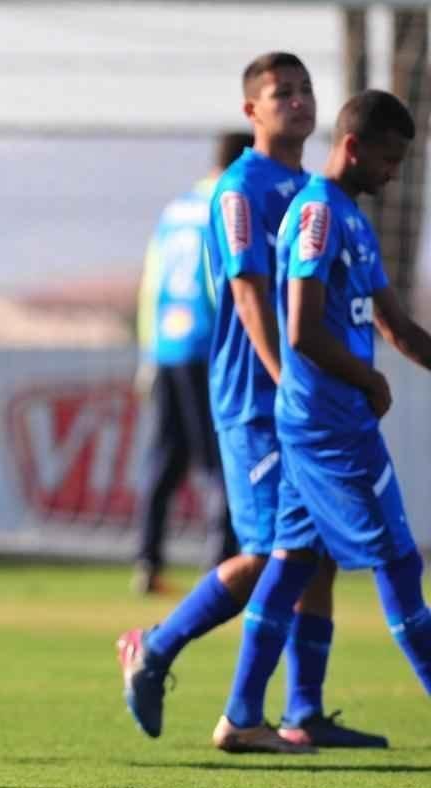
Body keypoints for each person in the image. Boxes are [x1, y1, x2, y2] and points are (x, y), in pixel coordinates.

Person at [117, 52, 385, 752]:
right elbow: (246, 293)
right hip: (255, 400)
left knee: (316, 548)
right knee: (273, 552)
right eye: (281, 92)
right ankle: (157, 648)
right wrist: (287, 378)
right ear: (251, 111)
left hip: (306, 399)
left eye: (305, 89)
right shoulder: (240, 189)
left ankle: (304, 709)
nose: (298, 101)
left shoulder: (313, 189)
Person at [215, 88, 431, 750]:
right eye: (389, 160)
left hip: (328, 421)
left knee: (290, 562)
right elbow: (302, 329)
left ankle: (243, 715)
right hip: (330, 427)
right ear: (354, 147)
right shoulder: (317, 213)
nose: (393, 175)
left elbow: (395, 325)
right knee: (400, 564)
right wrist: (366, 378)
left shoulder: (352, 219)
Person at [131, 132, 249, 595]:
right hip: (209, 344)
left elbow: (151, 283)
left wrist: (148, 351)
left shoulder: (176, 209)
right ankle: (221, 564)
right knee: (220, 458)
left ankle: (147, 560)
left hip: (166, 346)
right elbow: (225, 282)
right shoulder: (228, 206)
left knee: (165, 458)